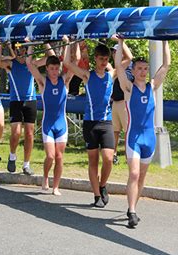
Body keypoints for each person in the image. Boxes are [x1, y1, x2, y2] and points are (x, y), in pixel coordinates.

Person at [64, 35, 129, 208]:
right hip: (90, 123)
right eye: (101, 59)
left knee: (108, 158)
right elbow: (68, 64)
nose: (103, 62)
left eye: (106, 59)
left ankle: (102, 185)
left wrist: (121, 42)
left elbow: (129, 59)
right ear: (95, 59)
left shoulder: (111, 74)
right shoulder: (87, 75)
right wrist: (69, 43)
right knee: (93, 161)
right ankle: (96, 195)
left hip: (106, 123)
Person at [115, 38, 171, 228]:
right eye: (139, 68)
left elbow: (166, 65)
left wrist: (165, 43)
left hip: (150, 138)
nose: (143, 71)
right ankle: (131, 211)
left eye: (145, 68)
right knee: (134, 173)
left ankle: (134, 208)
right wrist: (121, 43)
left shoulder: (152, 87)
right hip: (134, 138)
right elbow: (118, 67)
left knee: (142, 177)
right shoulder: (128, 87)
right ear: (134, 70)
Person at [0, 41, 53, 174]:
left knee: (29, 134)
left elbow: (51, 57)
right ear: (15, 51)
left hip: (30, 100)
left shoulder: (32, 63)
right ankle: (12, 156)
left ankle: (26, 164)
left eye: (24, 49)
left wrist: (45, 43)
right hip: (16, 101)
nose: (21, 52)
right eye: (19, 49)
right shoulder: (11, 63)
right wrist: (0, 46)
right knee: (16, 133)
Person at [25, 37, 72, 195]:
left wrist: (71, 43)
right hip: (48, 125)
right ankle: (45, 177)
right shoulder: (43, 82)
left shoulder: (64, 81)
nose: (54, 71)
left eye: (56, 68)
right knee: (50, 156)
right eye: (51, 68)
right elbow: (30, 64)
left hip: (61, 125)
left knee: (59, 157)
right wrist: (30, 44)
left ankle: (56, 186)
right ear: (47, 68)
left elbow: (73, 62)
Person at [110, 44, 133, 165]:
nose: (114, 54)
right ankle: (113, 155)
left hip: (125, 104)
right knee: (115, 131)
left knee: (127, 131)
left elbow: (126, 83)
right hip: (115, 103)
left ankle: (128, 156)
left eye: (117, 52)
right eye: (113, 52)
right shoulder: (115, 69)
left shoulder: (129, 70)